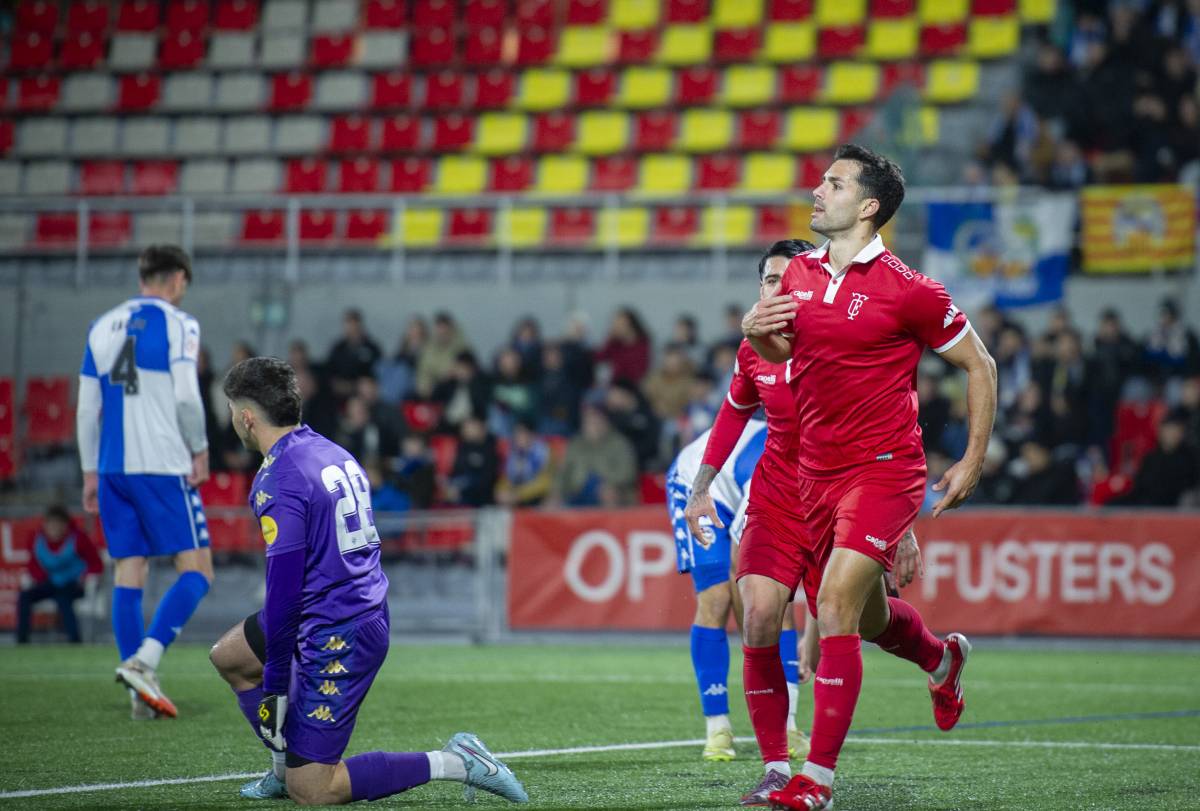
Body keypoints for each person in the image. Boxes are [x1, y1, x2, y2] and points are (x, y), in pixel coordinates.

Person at [739, 145, 998, 810]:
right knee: (872, 616)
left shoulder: (910, 289)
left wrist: (971, 459)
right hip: (811, 474)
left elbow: (981, 366)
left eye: (835, 183)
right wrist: (756, 330)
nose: (818, 191)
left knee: (831, 608)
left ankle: (815, 781)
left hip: (884, 471)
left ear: (869, 206)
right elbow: (780, 355)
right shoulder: (797, 273)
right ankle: (942, 657)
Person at [208, 357, 528, 805]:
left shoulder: (277, 478)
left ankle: (457, 761)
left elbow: (283, 595)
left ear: (245, 416)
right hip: (341, 605)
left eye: (229, 410)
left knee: (314, 791)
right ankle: (282, 770)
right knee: (230, 657)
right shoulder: (329, 450)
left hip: (337, 627)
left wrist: (278, 685)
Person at [77, 244, 214, 720]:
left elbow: (85, 408)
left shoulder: (102, 326)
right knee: (197, 570)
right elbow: (185, 395)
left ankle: (141, 695)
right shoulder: (180, 324)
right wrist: (199, 447)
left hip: (113, 466)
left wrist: (90, 470)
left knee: (128, 572)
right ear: (177, 278)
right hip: (161, 463)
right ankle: (145, 661)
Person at [668, 418, 797, 763]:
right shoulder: (773, 469)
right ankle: (718, 727)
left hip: (739, 485)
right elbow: (742, 566)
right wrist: (757, 645)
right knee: (719, 597)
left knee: (781, 599)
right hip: (697, 483)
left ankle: (788, 723)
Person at [16, 505, 103, 644]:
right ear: (45, 525)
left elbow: (96, 564)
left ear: (65, 525)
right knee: (24, 596)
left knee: (63, 598)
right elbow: (33, 566)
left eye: (58, 524)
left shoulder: (79, 538)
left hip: (74, 584)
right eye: (50, 524)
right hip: (49, 582)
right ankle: (22, 641)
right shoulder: (38, 541)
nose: (54, 528)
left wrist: (85, 577)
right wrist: (41, 579)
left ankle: (75, 641)